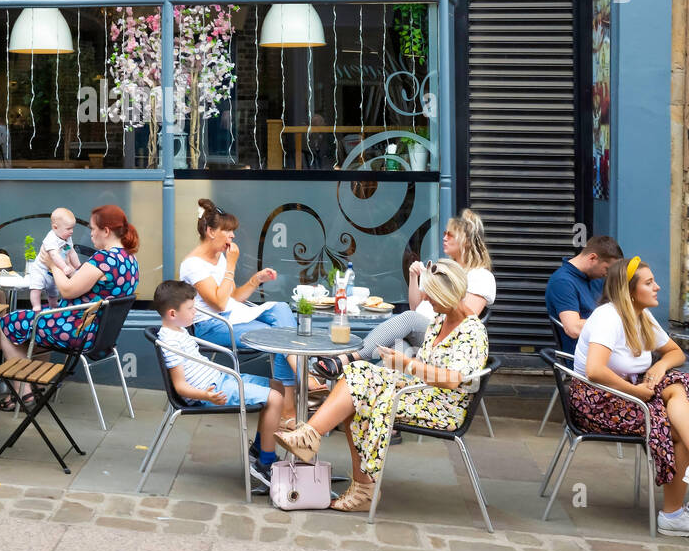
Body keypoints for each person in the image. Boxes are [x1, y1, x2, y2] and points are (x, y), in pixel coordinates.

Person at [276, 259, 488, 511]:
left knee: (360, 395)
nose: (427, 301)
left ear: (447, 295)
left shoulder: (472, 331)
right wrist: (399, 366)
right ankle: (310, 438)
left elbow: (454, 380)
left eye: (431, 296)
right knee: (357, 372)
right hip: (420, 392)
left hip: (442, 407)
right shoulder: (440, 321)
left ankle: (359, 486)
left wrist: (406, 364)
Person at [570, 257, 689, 536]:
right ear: (629, 291)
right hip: (598, 401)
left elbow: (676, 353)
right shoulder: (608, 316)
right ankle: (675, 511)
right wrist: (637, 391)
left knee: (680, 381)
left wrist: (659, 366)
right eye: (649, 283)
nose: (657, 287)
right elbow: (595, 370)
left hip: (628, 394)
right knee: (678, 428)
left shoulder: (641, 316)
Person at [0, 204, 140, 409]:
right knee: (37, 322)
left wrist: (53, 265)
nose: (90, 234)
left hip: (76, 329)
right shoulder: (130, 259)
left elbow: (68, 291)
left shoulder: (104, 259)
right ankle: (35, 384)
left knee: (8, 323)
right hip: (99, 334)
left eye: (92, 229)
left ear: (106, 231)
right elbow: (82, 281)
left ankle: (22, 393)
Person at [179, 199, 300, 424]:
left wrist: (256, 280)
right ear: (210, 231)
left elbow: (232, 298)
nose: (232, 236)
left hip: (234, 316)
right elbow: (218, 303)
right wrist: (232, 265)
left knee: (282, 310)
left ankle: (292, 394)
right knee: (280, 335)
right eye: (228, 231)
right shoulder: (192, 264)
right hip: (211, 326)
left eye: (232, 231)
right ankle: (297, 388)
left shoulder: (220, 257)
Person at [154, 280, 281, 482]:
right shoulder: (170, 340)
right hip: (211, 391)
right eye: (190, 308)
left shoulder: (179, 330)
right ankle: (265, 463)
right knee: (275, 398)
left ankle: (258, 449)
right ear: (172, 314)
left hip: (220, 380)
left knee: (278, 386)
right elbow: (180, 387)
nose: (195, 312)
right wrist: (206, 396)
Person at [351, 208, 495, 362]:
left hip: (443, 336)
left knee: (409, 319)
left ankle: (350, 358)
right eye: (444, 234)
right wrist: (414, 277)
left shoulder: (481, 276)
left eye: (450, 235)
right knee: (397, 354)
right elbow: (415, 307)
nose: (444, 238)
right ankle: (354, 378)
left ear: (466, 240)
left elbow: (465, 321)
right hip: (419, 333)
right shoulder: (443, 268)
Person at [545, 235, 623, 346]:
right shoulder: (562, 282)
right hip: (585, 357)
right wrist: (618, 325)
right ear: (592, 258)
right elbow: (573, 328)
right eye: (607, 269)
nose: (607, 274)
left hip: (608, 349)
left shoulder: (596, 278)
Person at [28, 207, 82, 311]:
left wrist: (78, 267)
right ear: (55, 227)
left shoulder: (67, 237)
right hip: (41, 269)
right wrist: (65, 267)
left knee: (53, 291)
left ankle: (53, 305)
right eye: (68, 229)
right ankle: (36, 305)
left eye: (72, 228)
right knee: (36, 287)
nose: (71, 231)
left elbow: (71, 252)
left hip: (53, 271)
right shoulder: (51, 238)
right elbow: (53, 256)